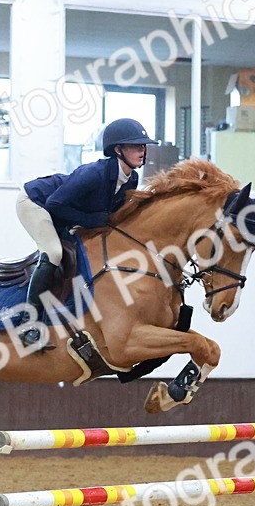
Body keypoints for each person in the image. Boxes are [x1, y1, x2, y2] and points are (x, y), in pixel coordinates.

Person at [15, 117, 158, 346]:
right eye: (136, 146)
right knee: (54, 253)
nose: (142, 151)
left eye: (143, 146)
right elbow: (55, 204)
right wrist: (91, 220)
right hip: (35, 203)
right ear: (118, 150)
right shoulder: (94, 173)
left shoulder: (132, 179)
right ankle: (27, 324)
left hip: (63, 211)